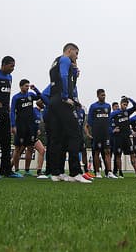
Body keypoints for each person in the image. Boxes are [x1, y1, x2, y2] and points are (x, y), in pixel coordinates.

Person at [48, 43, 90, 183]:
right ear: (69, 50)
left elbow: (67, 78)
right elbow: (64, 76)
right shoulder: (65, 59)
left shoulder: (56, 61)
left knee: (58, 137)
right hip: (62, 100)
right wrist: (66, 97)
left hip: (53, 100)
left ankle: (56, 172)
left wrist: (75, 73)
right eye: (76, 53)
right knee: (75, 135)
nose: (77, 57)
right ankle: (75, 172)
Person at [10, 79, 42, 176]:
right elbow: (12, 111)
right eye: (26, 86)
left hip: (30, 126)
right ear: (21, 86)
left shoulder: (30, 95)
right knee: (18, 148)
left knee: (30, 147)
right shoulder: (16, 97)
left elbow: (40, 97)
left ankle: (27, 170)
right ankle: (16, 170)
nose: (27, 88)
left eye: (28, 86)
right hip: (20, 125)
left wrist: (35, 89)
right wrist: (13, 125)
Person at [87, 89, 115, 179]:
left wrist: (109, 129)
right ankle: (97, 172)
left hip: (106, 133)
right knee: (97, 152)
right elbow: (90, 120)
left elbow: (109, 119)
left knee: (107, 151)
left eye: (104, 95)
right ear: (98, 95)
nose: (104, 96)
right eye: (102, 95)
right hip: (97, 133)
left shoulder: (108, 106)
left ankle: (109, 172)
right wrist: (95, 128)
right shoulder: (93, 106)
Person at [110, 97, 136, 178]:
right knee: (118, 156)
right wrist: (112, 130)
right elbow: (107, 120)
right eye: (124, 104)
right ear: (120, 104)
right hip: (118, 137)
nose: (125, 106)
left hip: (127, 137)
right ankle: (120, 173)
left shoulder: (127, 112)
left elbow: (135, 106)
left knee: (133, 155)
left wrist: (129, 98)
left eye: (126, 105)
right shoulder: (115, 113)